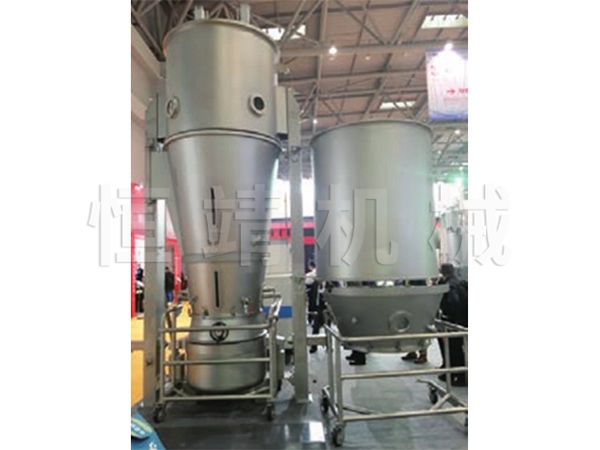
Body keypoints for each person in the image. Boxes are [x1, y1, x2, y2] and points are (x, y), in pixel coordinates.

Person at [437, 263, 468, 386]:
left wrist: (448, 316)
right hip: (461, 320)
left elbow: (453, 302)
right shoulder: (458, 282)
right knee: (456, 348)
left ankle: (458, 376)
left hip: (452, 321)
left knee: (453, 348)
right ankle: (454, 373)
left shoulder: (449, 285)